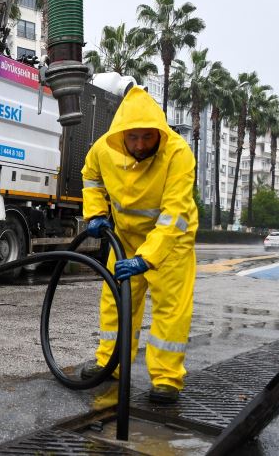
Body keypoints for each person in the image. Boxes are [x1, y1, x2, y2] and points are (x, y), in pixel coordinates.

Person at [80, 85, 198, 403]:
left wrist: (148, 257)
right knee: (116, 301)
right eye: (133, 138)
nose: (140, 144)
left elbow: (175, 214)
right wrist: (95, 213)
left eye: (148, 137)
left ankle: (166, 379)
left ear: (159, 133)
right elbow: (90, 176)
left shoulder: (178, 154)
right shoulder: (105, 149)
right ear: (121, 135)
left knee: (170, 310)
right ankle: (111, 364)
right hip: (126, 237)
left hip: (171, 243)